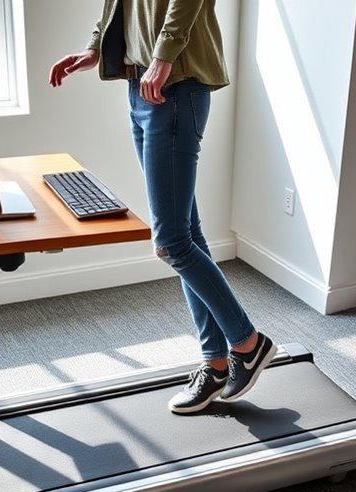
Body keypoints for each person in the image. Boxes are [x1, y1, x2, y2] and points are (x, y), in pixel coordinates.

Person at [49, 0, 277, 414]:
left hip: (173, 86)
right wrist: (96, 48)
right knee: (187, 233)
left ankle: (247, 342)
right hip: (140, 87)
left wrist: (162, 55)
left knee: (172, 242)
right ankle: (216, 362)